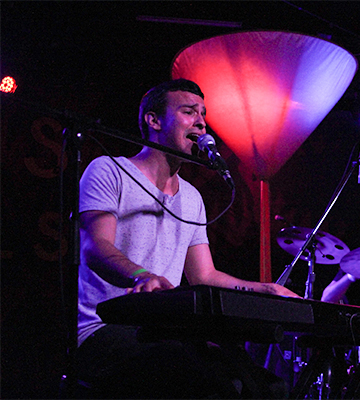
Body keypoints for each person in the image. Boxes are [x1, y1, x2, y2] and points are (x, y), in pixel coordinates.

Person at [73, 79, 298, 399]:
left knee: (267, 387)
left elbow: (204, 276)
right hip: (105, 330)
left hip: (164, 334)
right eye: (189, 112)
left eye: (203, 114)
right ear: (154, 121)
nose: (201, 122)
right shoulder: (109, 171)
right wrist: (143, 276)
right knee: (203, 382)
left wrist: (266, 289)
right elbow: (95, 247)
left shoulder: (192, 197)